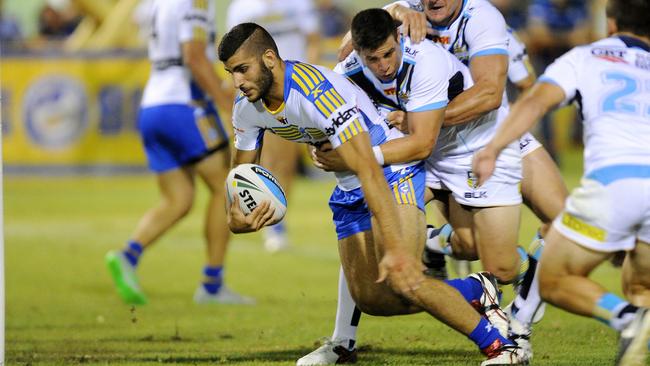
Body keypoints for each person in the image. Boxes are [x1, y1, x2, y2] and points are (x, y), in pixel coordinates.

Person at [219, 21, 523, 366]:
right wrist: (235, 217)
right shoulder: (246, 108)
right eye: (231, 73)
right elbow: (239, 178)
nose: (237, 82)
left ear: (270, 59)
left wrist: (395, 247)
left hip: (391, 174)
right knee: (372, 300)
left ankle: (502, 349)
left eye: (243, 70)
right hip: (349, 187)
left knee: (404, 276)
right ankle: (473, 290)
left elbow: (366, 165)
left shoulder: (316, 91)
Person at [302, 7, 527, 365]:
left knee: (485, 257)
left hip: (466, 149)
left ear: (399, 39)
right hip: (410, 155)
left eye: (389, 54)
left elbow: (422, 141)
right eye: (372, 59)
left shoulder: (427, 62)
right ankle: (343, 341)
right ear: (357, 53)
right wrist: (323, 149)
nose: (383, 66)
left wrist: (358, 157)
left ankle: (469, 263)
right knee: (371, 245)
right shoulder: (346, 73)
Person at [472, 0, 650, 364]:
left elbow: (536, 101)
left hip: (616, 182)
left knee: (554, 280)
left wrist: (493, 148)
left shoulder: (586, 56)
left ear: (611, 25)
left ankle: (628, 319)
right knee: (643, 286)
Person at [105, 0, 253, 306]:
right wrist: (227, 106)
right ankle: (212, 285)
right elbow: (194, 56)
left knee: (179, 199)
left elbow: (137, 20)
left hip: (152, 106)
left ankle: (128, 256)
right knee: (224, 186)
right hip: (183, 105)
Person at [226, 0, 321, 252]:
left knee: (287, 164)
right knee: (266, 157)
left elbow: (313, 38)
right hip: (260, 91)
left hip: (295, 88)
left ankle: (277, 219)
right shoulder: (241, 7)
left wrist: (309, 74)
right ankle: (268, 221)